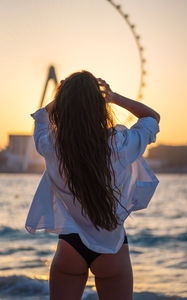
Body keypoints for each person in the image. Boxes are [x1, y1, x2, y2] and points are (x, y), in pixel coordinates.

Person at [25, 70, 160, 300]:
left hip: (70, 247)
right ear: (100, 107)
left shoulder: (52, 146)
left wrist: (65, 97)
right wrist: (114, 97)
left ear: (63, 107)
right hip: (113, 248)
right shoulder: (121, 144)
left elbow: (40, 116)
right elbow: (151, 117)